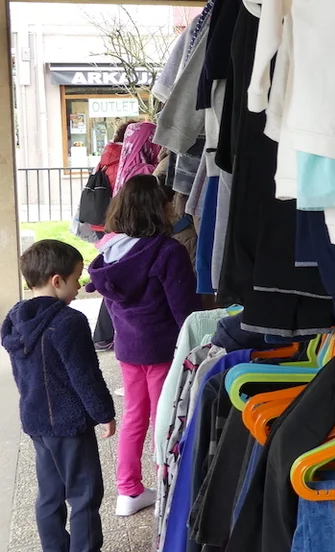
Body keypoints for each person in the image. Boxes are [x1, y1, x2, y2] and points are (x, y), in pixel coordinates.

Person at [86, 174, 201, 517]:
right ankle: (165, 487)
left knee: (135, 417)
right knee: (164, 418)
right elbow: (185, 311)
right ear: (158, 209)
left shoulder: (109, 254)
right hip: (164, 350)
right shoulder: (168, 251)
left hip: (128, 350)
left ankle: (128, 490)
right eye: (166, 203)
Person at [1, 240, 116, 552]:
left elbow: (23, 375)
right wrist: (104, 413)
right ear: (56, 280)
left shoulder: (15, 320)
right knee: (84, 493)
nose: (79, 286)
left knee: (50, 493)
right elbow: (85, 376)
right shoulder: (69, 322)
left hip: (36, 420)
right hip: (69, 425)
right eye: (76, 278)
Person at [91, 120, 135, 352]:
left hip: (107, 226)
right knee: (118, 282)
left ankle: (103, 335)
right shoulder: (129, 159)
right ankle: (107, 334)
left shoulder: (108, 156)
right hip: (125, 228)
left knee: (111, 279)